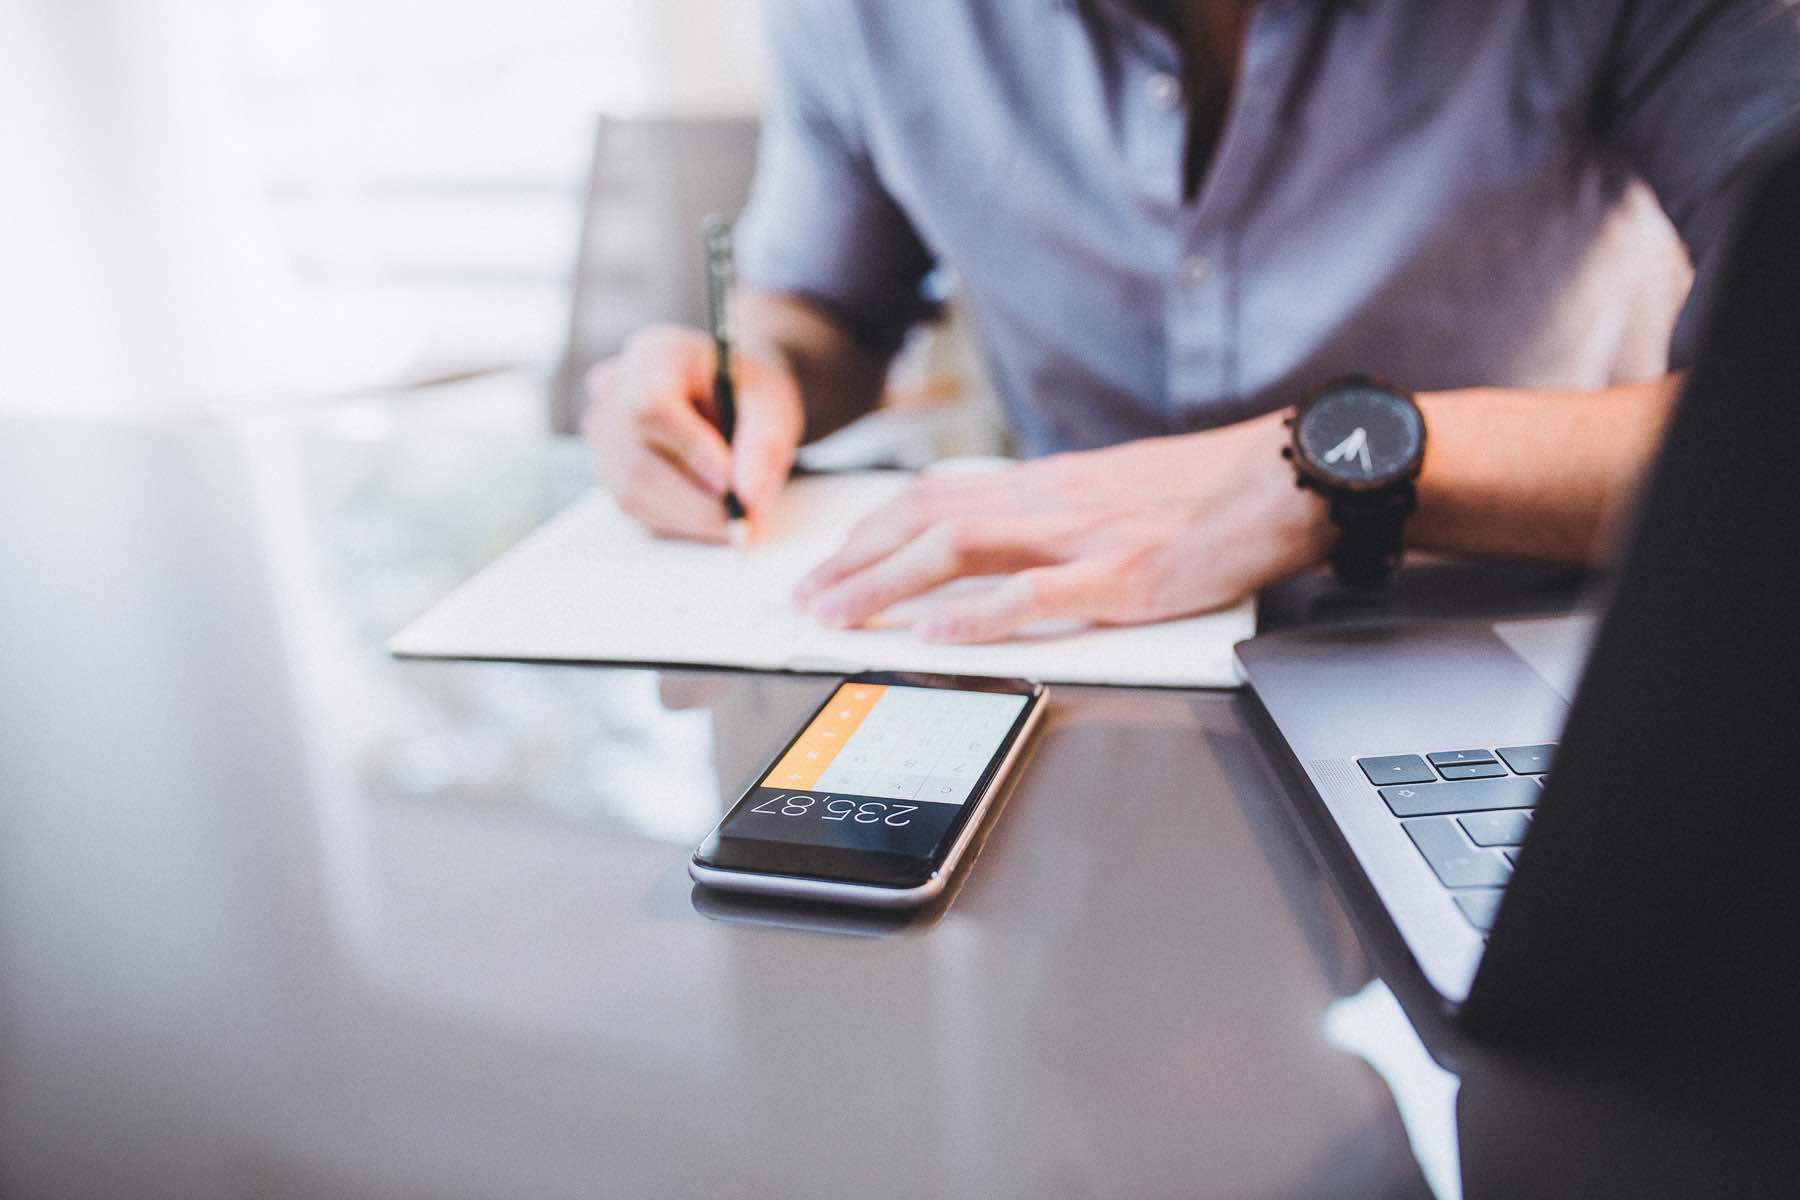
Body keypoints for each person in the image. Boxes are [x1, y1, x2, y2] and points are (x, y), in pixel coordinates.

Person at [583, 0, 1800, 643]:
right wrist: (739, 374)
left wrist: (1334, 473)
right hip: (1062, 653)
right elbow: (826, 308)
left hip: (1512, 643)